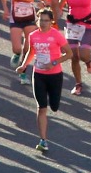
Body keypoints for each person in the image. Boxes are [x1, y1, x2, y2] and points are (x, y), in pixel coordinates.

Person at [23, 8, 70, 153]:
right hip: (39, 74)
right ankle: (43, 140)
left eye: (46, 20)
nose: (42, 23)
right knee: (41, 107)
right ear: (37, 20)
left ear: (51, 22)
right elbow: (31, 52)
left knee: (54, 106)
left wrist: (54, 63)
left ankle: (54, 103)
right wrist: (23, 66)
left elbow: (69, 53)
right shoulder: (32, 36)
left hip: (55, 75)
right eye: (40, 20)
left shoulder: (56, 35)